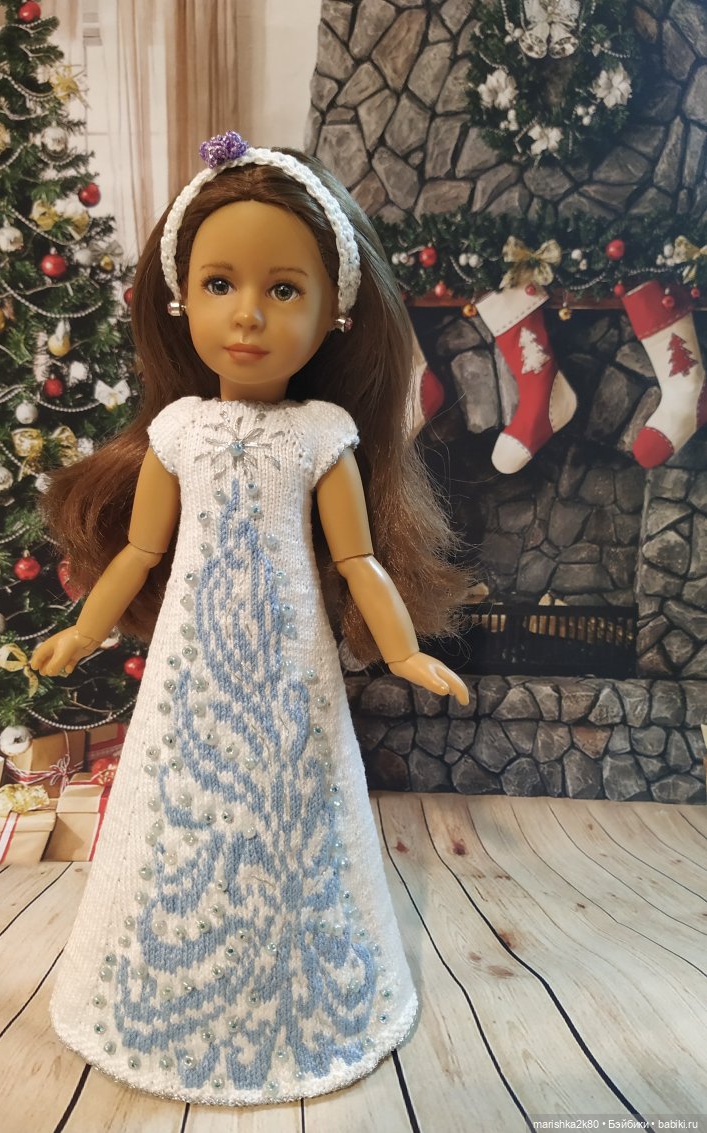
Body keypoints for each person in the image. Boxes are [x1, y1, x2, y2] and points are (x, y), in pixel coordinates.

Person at [31, 131, 470, 1105]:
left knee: (290, 813)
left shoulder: (322, 436)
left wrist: (401, 647)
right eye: (220, 284)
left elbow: (356, 559)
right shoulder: (178, 432)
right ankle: (166, 992)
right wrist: (83, 630)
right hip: (193, 669)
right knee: (181, 812)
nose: (247, 315)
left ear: (335, 311)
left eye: (283, 289)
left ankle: (298, 994)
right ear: (180, 297)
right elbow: (139, 551)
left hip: (288, 670)